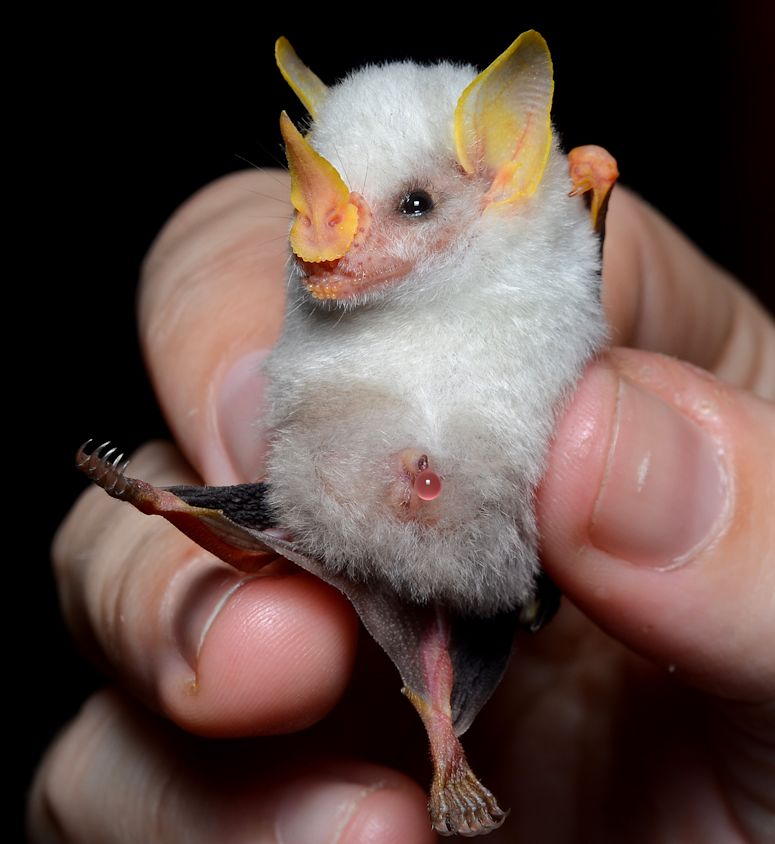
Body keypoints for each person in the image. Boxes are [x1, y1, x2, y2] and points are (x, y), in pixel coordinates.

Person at [29, 171, 774, 842]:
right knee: (297, 541)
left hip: (460, 533)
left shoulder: (515, 362)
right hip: (356, 519)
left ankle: (445, 753)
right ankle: (161, 502)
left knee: (423, 640)